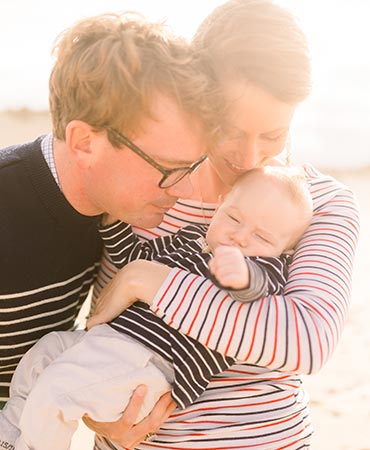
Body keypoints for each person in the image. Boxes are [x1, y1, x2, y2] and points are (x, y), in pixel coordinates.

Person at [86, 1, 360, 449]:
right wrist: (89, 408)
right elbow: (93, 323)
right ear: (197, 98)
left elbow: (307, 339)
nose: (249, 158)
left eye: (273, 136)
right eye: (230, 129)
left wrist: (149, 280)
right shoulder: (147, 182)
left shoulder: (321, 204)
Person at [0, 166, 313, 450]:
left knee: (58, 391)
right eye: (234, 218)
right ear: (221, 205)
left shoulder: (264, 269)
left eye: (261, 236)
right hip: (109, 345)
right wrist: (114, 223)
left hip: (151, 363)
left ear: (283, 251)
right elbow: (136, 259)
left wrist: (242, 275)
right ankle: (11, 434)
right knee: (45, 351)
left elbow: (257, 293)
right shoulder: (189, 239)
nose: (240, 236)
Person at [0, 11, 218, 412]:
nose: (185, 188)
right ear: (84, 142)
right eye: (169, 169)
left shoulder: (115, 215)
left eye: (192, 166)